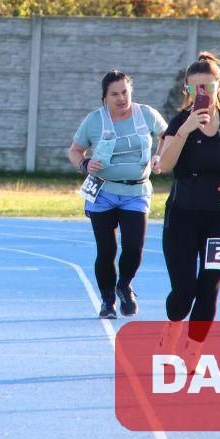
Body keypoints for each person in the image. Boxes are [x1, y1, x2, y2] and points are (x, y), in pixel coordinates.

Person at [157, 52, 220, 344]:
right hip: (182, 216)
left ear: (219, 86)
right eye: (196, 87)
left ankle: (194, 350)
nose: (203, 92)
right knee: (184, 291)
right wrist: (185, 130)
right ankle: (172, 329)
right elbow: (165, 166)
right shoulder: (179, 123)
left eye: (208, 86)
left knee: (209, 288)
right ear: (188, 90)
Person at [67, 71, 167, 320]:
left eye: (125, 92)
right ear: (105, 97)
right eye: (114, 94)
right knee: (106, 249)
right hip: (103, 192)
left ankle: (124, 285)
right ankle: (107, 300)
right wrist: (85, 164)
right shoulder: (94, 120)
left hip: (136, 192)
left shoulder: (146, 114)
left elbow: (168, 136)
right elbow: (75, 151)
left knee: (134, 246)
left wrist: (159, 156)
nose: (121, 98)